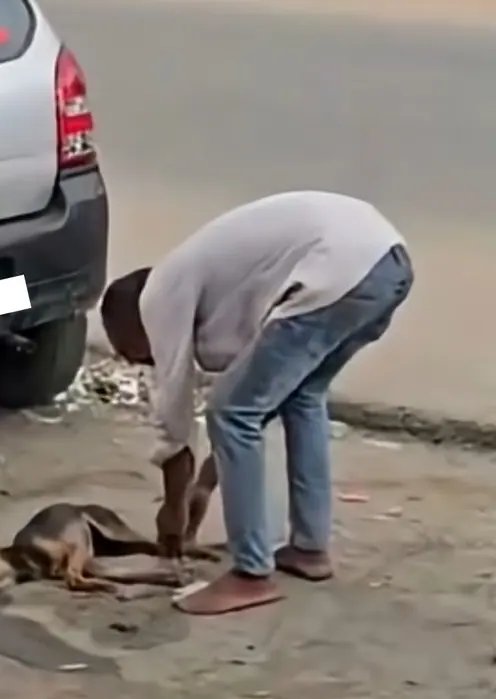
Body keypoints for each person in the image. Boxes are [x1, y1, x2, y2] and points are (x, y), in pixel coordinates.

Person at [98, 191, 413, 616]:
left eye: (134, 353)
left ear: (133, 323)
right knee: (301, 396)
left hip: (341, 268)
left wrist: (173, 511)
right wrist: (204, 485)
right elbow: (260, 400)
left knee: (229, 411)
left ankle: (251, 575)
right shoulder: (214, 291)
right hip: (384, 264)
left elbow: (175, 418)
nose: (139, 362)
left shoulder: (160, 296)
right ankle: (309, 549)